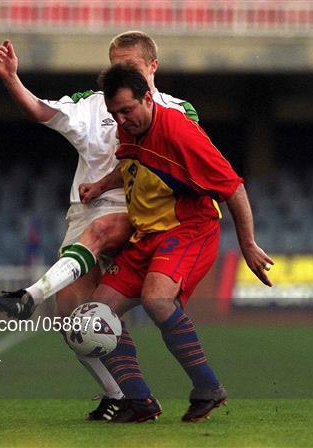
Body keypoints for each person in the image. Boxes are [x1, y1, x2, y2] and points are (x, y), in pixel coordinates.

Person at [0, 31, 201, 420]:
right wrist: (11, 79)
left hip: (142, 214)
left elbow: (179, 163)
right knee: (73, 317)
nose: (120, 72)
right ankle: (124, 395)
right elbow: (39, 111)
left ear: (152, 66)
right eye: (114, 65)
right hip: (86, 210)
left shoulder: (178, 110)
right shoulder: (90, 106)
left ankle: (29, 295)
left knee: (109, 248)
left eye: (130, 66)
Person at [78, 64, 274, 423]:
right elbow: (131, 166)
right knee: (95, 317)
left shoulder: (181, 133)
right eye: (115, 113)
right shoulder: (128, 129)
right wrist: (101, 186)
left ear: (148, 98)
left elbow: (233, 187)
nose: (121, 119)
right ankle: (140, 402)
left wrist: (247, 244)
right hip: (146, 236)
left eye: (127, 110)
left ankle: (208, 388)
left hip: (189, 229)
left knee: (156, 298)